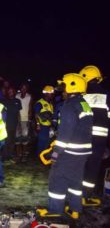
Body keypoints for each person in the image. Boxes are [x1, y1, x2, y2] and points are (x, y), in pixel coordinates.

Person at [37, 73, 93, 219]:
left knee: (57, 179)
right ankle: (75, 210)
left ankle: (55, 210)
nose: (62, 91)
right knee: (76, 180)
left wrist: (55, 154)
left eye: (64, 88)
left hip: (69, 152)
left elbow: (65, 135)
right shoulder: (84, 104)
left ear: (71, 87)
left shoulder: (69, 106)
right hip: (83, 152)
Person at [79, 65, 110, 206]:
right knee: (93, 166)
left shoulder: (81, 96)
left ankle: (75, 193)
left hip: (82, 137)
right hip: (100, 139)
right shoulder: (107, 96)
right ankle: (87, 195)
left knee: (80, 164)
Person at [0, 87, 22, 162]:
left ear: (14, 92)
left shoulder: (17, 101)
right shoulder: (3, 101)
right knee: (6, 140)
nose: (10, 93)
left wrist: (19, 124)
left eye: (12, 91)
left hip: (14, 123)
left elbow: (18, 113)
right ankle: (4, 156)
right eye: (9, 91)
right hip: (5, 124)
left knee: (12, 140)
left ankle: (10, 155)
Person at [34, 85, 54, 156]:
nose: (52, 94)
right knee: (41, 142)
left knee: (47, 142)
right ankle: (39, 157)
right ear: (46, 94)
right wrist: (38, 124)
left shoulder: (50, 104)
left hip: (49, 127)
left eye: (52, 93)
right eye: (50, 93)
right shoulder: (40, 103)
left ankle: (44, 157)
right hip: (42, 126)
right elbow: (36, 114)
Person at [15, 83, 33, 162]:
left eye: (25, 88)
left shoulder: (29, 96)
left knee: (25, 138)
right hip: (17, 120)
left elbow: (30, 108)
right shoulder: (17, 96)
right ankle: (19, 155)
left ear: (27, 89)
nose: (23, 90)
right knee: (17, 138)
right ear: (20, 88)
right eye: (22, 88)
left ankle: (24, 155)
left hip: (25, 120)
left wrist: (29, 120)